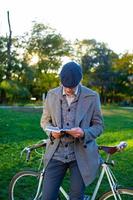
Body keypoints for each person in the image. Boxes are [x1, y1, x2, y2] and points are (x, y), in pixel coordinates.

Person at [40, 61, 104, 200]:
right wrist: (51, 132)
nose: (68, 89)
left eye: (72, 86)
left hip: (80, 156)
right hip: (56, 154)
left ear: (80, 80)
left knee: (76, 197)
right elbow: (44, 121)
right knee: (47, 197)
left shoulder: (92, 96)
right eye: (65, 86)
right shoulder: (51, 95)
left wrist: (84, 133)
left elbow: (99, 126)